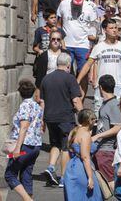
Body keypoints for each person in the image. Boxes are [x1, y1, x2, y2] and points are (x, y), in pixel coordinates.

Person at [40, 52, 83, 187]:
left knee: (55, 144)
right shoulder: (70, 79)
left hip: (50, 118)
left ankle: (51, 167)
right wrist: (83, 118)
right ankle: (64, 178)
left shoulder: (46, 79)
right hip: (65, 118)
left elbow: (42, 101)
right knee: (66, 147)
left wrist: (42, 120)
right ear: (69, 65)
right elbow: (76, 100)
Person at [76, 19, 121, 114]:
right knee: (99, 114)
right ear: (104, 30)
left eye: (115, 28)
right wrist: (78, 80)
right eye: (111, 28)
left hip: (118, 86)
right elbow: (88, 64)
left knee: (116, 115)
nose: (114, 30)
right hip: (101, 87)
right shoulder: (98, 47)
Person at [4, 79, 43, 201]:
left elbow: (24, 127)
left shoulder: (25, 106)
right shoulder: (37, 106)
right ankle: (29, 197)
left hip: (24, 145)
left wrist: (17, 148)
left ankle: (28, 199)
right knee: (26, 175)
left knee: (10, 175)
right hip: (35, 145)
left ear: (20, 93)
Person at [88, 75, 121, 191]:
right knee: (102, 182)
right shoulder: (106, 103)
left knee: (110, 183)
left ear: (101, 88)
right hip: (100, 149)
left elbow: (117, 127)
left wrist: (97, 135)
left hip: (107, 150)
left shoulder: (114, 105)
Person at [57, 0, 97, 76]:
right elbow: (59, 24)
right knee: (65, 71)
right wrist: (60, 40)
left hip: (83, 44)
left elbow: (94, 24)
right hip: (66, 44)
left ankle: (80, 90)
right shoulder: (63, 4)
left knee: (83, 72)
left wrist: (92, 37)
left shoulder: (89, 7)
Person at [64, 109, 102, 201]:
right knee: (91, 196)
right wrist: (90, 177)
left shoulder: (74, 131)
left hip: (72, 167)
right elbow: (85, 157)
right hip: (81, 169)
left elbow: (70, 150)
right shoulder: (85, 134)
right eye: (94, 119)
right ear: (89, 121)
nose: (95, 122)